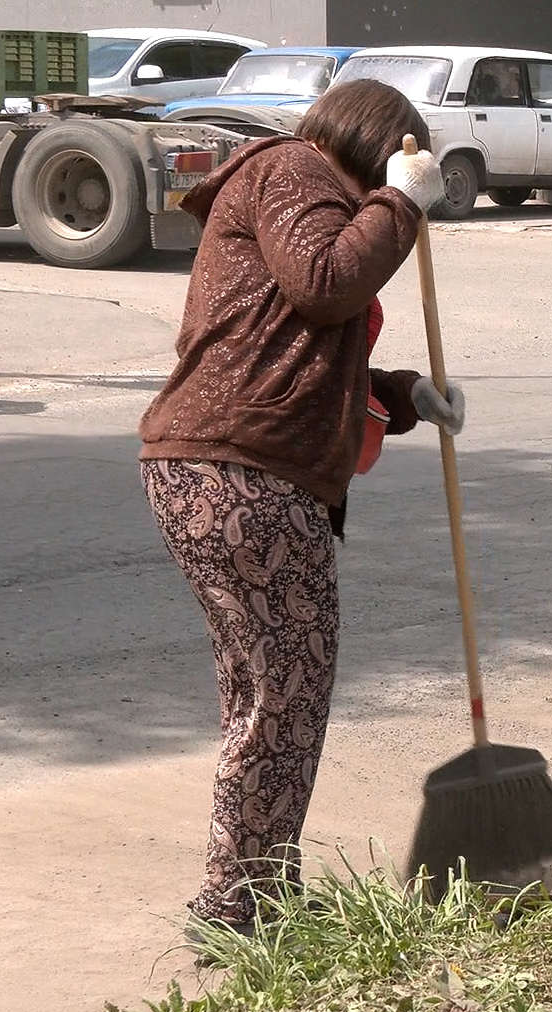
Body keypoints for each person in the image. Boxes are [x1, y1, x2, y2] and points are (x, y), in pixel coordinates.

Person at [136, 79, 464, 934]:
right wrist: (401, 202)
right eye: (401, 157)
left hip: (224, 472)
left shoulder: (297, 184)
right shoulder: (293, 168)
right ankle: (237, 903)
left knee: (268, 693)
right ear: (379, 143)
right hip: (242, 478)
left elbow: (295, 341)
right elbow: (324, 283)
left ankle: (253, 887)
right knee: (282, 696)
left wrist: (404, 393)